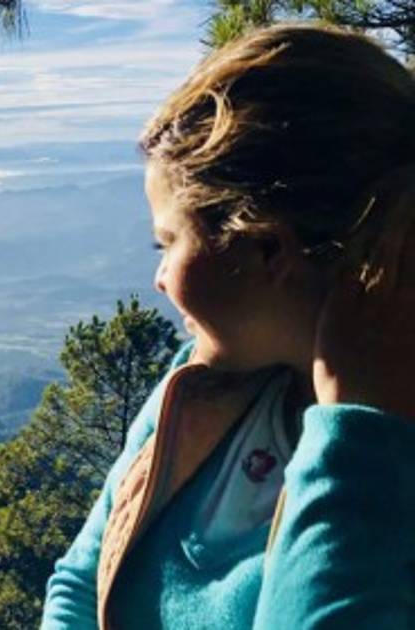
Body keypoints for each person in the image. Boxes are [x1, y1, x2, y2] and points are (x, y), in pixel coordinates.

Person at [40, 23, 415, 629]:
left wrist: (356, 439)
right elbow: (80, 586)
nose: (160, 279)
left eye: (167, 243)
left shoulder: (385, 457)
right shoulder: (198, 390)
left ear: (266, 247)